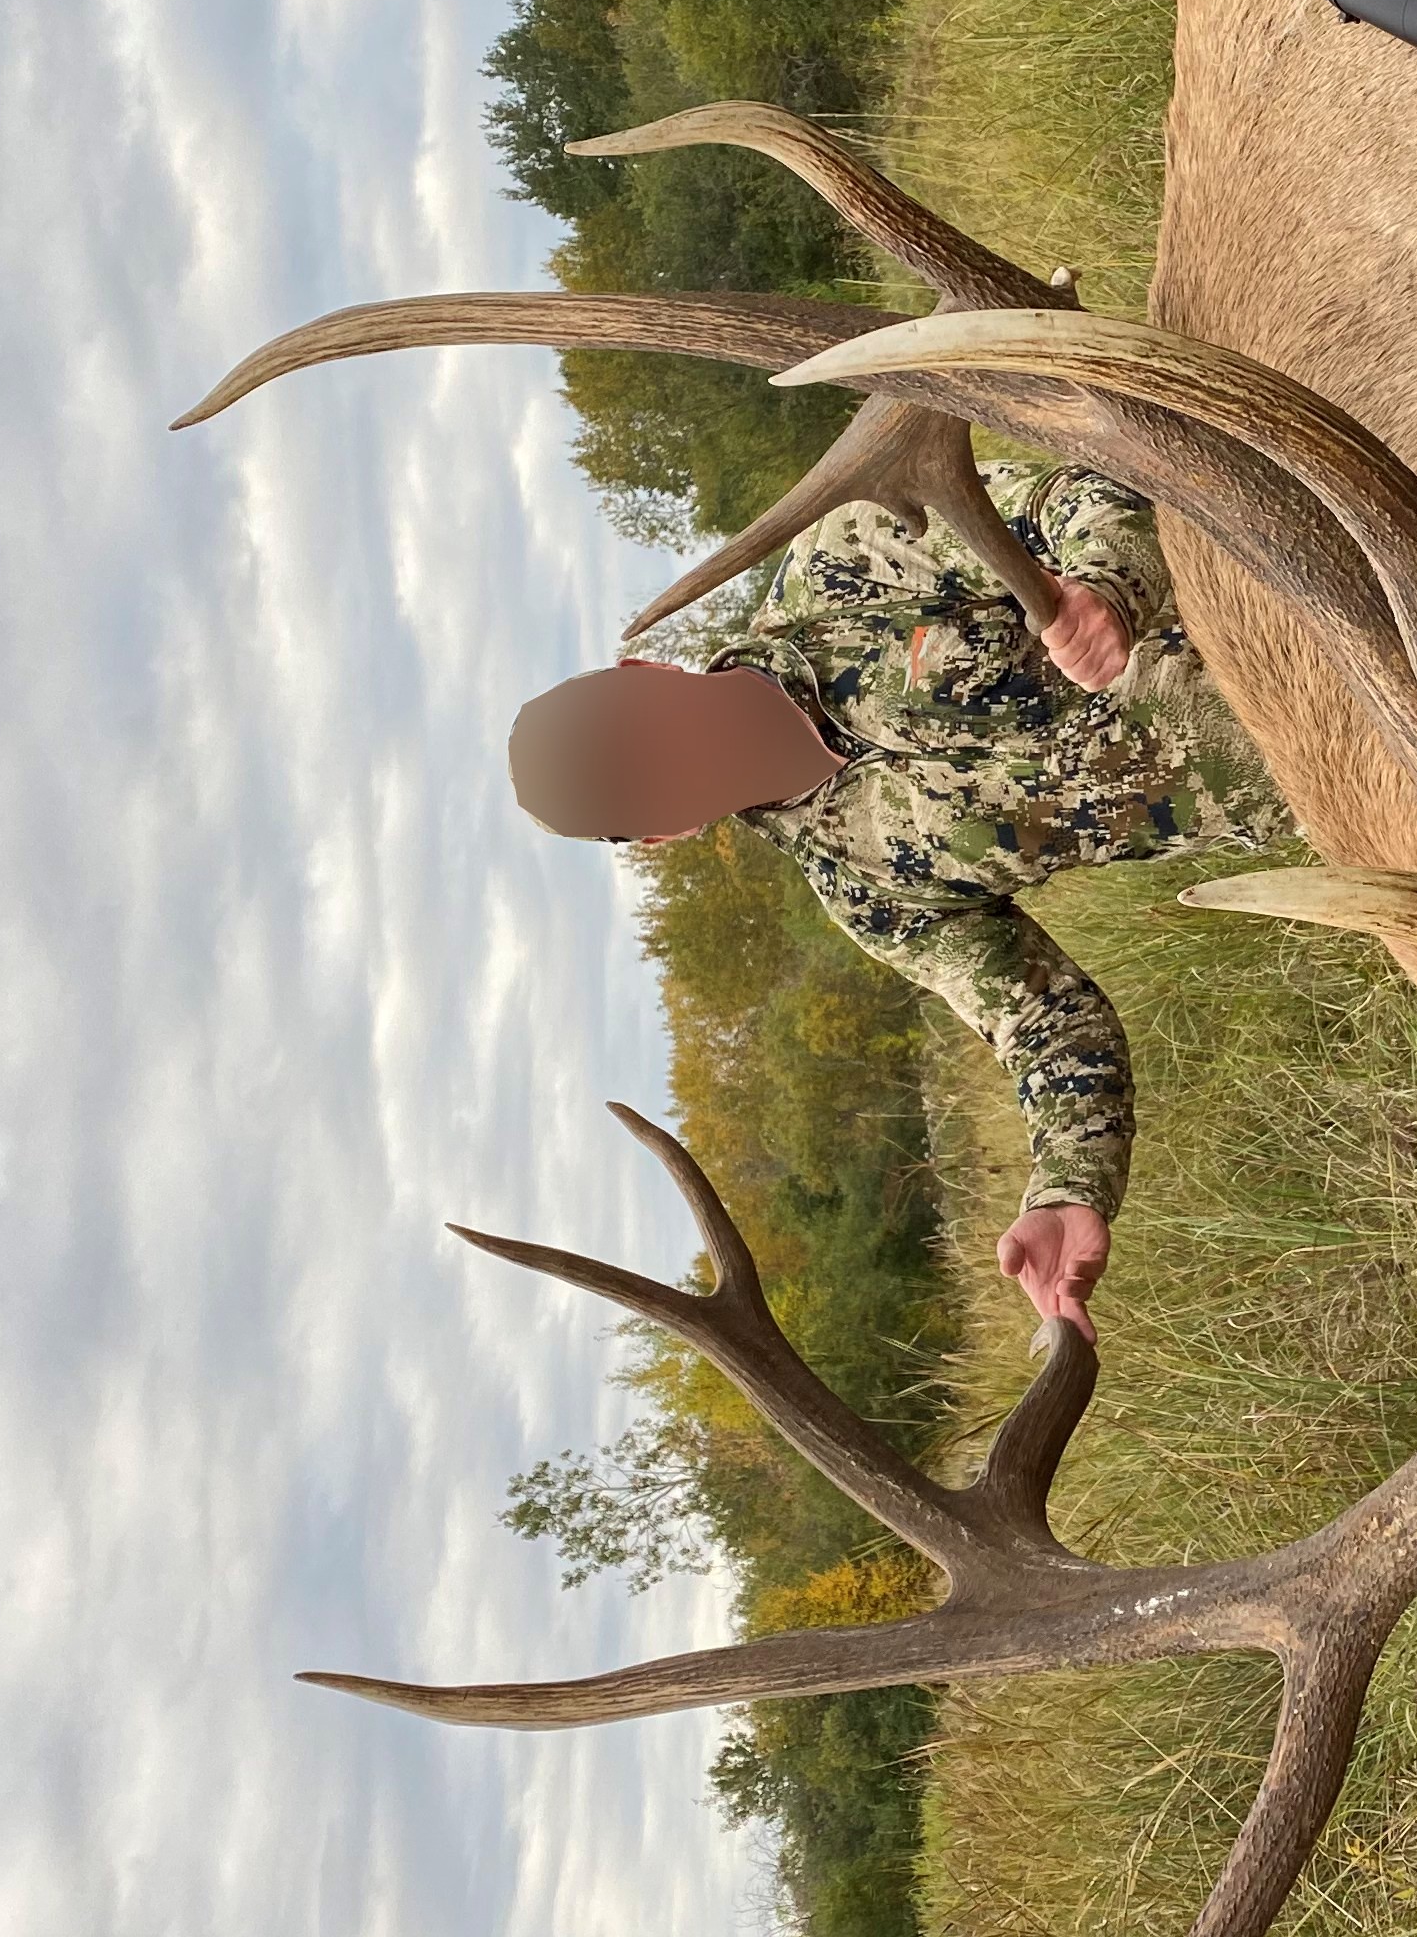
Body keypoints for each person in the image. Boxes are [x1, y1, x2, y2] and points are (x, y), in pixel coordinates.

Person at [510, 460, 1289, 1326]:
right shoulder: (864, 889)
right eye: (643, 789)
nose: (672, 761)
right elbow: (1043, 1021)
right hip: (1328, 788)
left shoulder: (841, 560)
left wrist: (1108, 587)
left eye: (638, 731)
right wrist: (1068, 1188)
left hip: (1290, 589)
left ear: (647, 670)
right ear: (662, 834)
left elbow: (1071, 491)